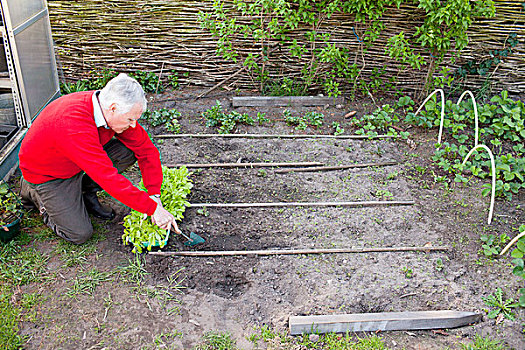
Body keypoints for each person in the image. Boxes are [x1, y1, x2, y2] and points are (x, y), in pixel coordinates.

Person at [19, 73, 180, 244]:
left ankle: (85, 191)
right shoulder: (73, 124)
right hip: (49, 175)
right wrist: (151, 209)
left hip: (75, 162)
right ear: (113, 108)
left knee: (129, 149)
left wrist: (154, 195)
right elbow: (107, 177)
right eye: (130, 119)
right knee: (80, 234)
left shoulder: (107, 109)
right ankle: (34, 193)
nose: (133, 125)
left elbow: (147, 150)